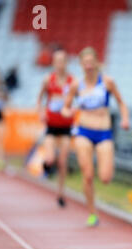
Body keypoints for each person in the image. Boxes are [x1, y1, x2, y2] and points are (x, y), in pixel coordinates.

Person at [61, 47, 130, 227]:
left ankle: (100, 189)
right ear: (81, 65)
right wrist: (69, 112)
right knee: (88, 175)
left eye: (92, 62)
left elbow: (122, 103)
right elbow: (65, 107)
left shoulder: (107, 82)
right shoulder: (77, 85)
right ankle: (92, 212)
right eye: (86, 63)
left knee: (106, 177)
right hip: (83, 131)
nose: (89, 66)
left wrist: (125, 119)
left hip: (103, 132)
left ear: (97, 62)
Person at [36, 50, 74, 208]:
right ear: (54, 63)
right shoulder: (48, 79)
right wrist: (41, 113)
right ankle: (46, 164)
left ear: (66, 63)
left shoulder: (72, 81)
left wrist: (72, 108)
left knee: (63, 161)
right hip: (51, 124)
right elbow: (40, 98)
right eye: (57, 61)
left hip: (66, 125)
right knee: (51, 158)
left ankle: (60, 193)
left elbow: (78, 99)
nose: (60, 64)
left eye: (62, 61)